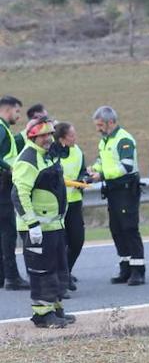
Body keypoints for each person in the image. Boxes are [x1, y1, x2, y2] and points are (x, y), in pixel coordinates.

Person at [12, 118, 73, 328]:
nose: (48, 139)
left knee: (58, 269)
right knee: (42, 271)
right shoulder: (28, 159)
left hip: (54, 226)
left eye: (49, 134)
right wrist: (32, 225)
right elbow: (19, 194)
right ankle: (42, 315)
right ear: (32, 137)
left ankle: (55, 308)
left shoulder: (47, 155)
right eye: (43, 136)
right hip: (38, 229)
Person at [88, 106, 145, 285]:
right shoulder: (105, 140)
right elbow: (102, 160)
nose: (98, 129)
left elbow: (125, 167)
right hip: (113, 191)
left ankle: (138, 271)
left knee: (129, 228)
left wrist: (102, 175)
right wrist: (93, 170)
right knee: (116, 229)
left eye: (100, 125)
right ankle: (125, 268)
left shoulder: (124, 139)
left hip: (126, 190)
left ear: (110, 122)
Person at [52, 121, 88, 291]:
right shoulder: (51, 153)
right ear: (62, 139)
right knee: (60, 244)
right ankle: (61, 279)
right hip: (57, 205)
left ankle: (66, 272)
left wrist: (83, 179)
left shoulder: (77, 151)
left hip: (74, 203)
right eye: (72, 135)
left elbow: (83, 171)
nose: (75, 138)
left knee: (77, 241)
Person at [0, 95, 29, 290]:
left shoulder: (5, 130)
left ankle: (3, 275)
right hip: (3, 187)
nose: (18, 116)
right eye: (17, 111)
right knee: (8, 233)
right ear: (7, 110)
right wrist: (9, 169)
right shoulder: (1, 129)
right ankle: (12, 277)